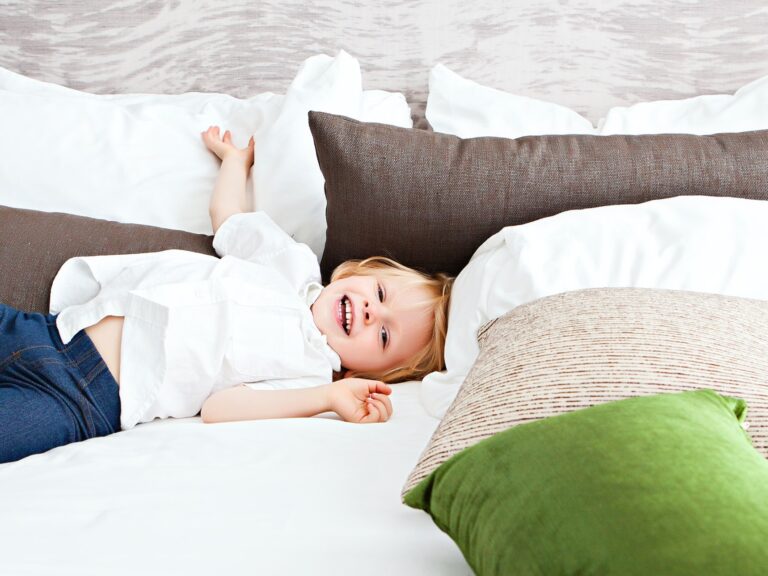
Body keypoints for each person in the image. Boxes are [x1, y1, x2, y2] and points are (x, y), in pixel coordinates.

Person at [0, 126, 452, 464]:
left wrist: (329, 398)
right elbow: (229, 218)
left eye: (386, 337)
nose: (373, 312)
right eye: (380, 292)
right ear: (361, 272)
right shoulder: (289, 264)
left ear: (372, 372)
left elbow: (220, 408)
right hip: (51, 332)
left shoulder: (308, 375)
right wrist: (235, 163)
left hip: (86, 401)